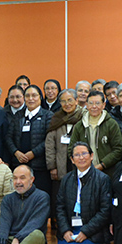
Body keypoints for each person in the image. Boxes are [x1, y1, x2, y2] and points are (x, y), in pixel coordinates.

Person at [53, 142, 112, 244]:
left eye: (84, 153)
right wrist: (65, 230)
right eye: (77, 155)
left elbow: (105, 211)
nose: (81, 157)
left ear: (91, 156)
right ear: (72, 160)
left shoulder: (102, 179)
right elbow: (60, 207)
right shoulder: (67, 179)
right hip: (71, 228)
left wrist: (86, 231)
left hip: (92, 231)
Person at [45, 88, 84, 231]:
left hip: (79, 165)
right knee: (59, 198)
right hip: (60, 166)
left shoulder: (83, 116)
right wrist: (52, 166)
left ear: (76, 100)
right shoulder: (56, 119)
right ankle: (61, 227)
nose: (67, 104)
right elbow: (49, 145)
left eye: (70, 100)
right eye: (63, 101)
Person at [8, 84, 53, 193]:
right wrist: (16, 152)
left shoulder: (48, 115)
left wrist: (33, 153)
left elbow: (49, 140)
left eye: (34, 95)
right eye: (27, 96)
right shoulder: (18, 115)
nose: (31, 98)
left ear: (40, 97)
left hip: (39, 166)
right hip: (19, 164)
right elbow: (8, 137)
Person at [70, 91, 122, 174]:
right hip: (83, 170)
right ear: (86, 105)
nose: (94, 106)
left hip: (107, 171)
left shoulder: (111, 124)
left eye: (98, 103)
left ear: (103, 105)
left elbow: (118, 149)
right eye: (91, 103)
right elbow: (71, 148)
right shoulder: (79, 125)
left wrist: (102, 165)